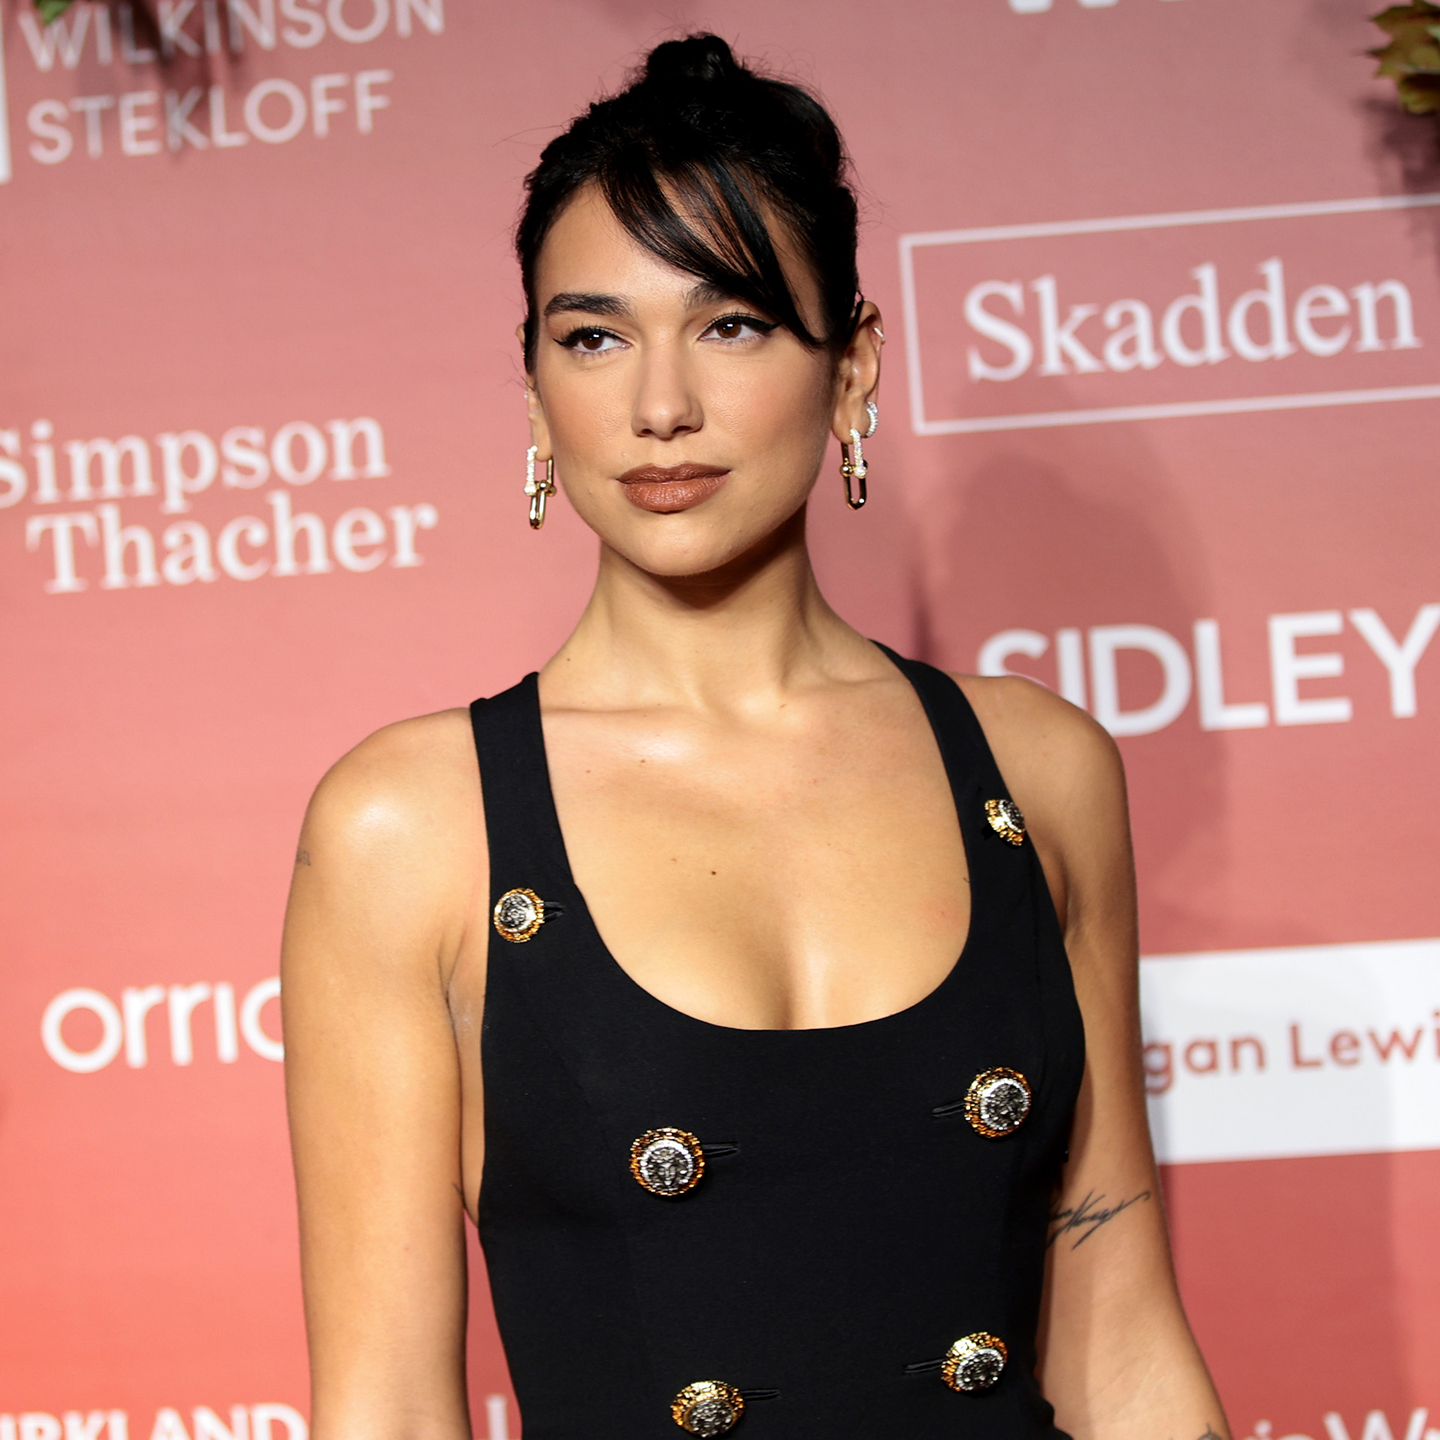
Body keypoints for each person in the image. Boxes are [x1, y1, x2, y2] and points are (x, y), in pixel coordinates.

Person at [281, 33, 1230, 1440]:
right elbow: (388, 1411)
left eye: (730, 324)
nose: (660, 407)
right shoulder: (412, 825)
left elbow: (1127, 1344)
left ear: (852, 368)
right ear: (534, 391)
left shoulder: (1039, 770)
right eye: (593, 337)